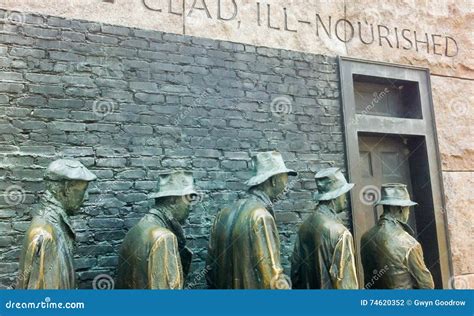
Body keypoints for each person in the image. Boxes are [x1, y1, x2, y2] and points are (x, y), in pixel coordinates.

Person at [206, 151, 297, 289]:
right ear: (274, 180)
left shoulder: (223, 214)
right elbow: (272, 278)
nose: (286, 185)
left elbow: (210, 272)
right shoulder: (261, 216)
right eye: (285, 178)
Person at [18, 159, 96, 289]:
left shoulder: (53, 226)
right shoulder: (48, 235)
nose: (87, 197)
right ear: (66, 189)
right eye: (84, 190)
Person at [117, 171, 197, 289]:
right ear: (173, 201)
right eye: (188, 201)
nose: (190, 208)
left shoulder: (136, 230)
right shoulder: (163, 238)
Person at [291, 167, 358, 289]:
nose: (345, 199)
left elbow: (295, 274)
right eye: (344, 193)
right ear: (336, 196)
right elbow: (347, 285)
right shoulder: (341, 233)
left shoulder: (304, 226)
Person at [361, 183, 434, 289]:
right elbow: (427, 285)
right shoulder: (409, 244)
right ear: (401, 209)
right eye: (408, 209)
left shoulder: (366, 238)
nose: (408, 213)